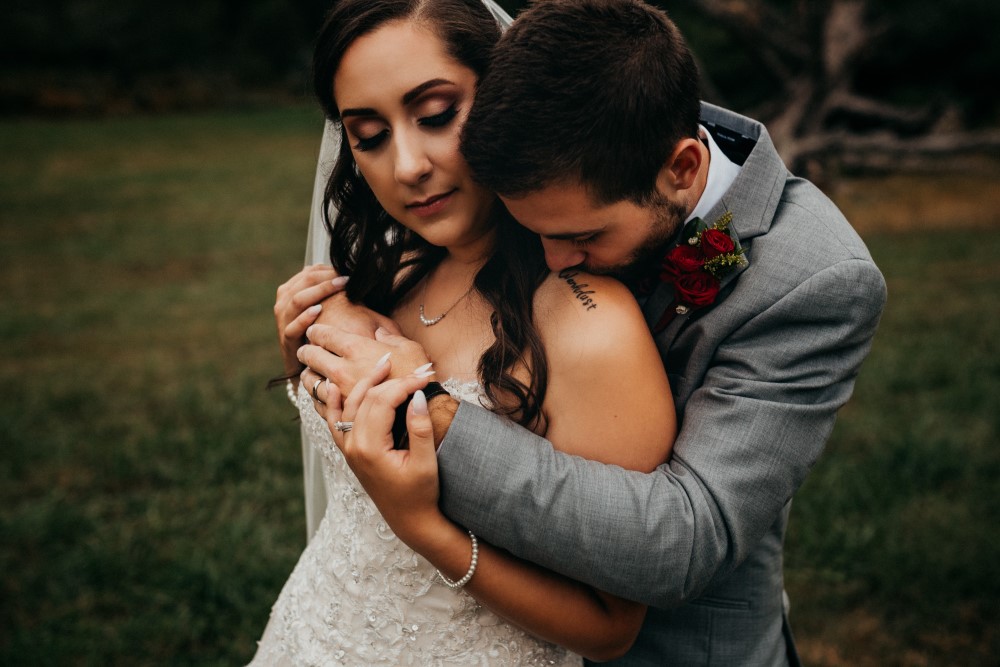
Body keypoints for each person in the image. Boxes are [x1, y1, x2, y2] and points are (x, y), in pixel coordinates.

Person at [297, 0, 888, 665]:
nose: (552, 259)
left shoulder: (814, 278)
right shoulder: (523, 177)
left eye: (581, 237)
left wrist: (424, 411)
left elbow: (686, 540)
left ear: (683, 170)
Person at [255, 0, 678, 663]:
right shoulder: (385, 275)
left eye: (435, 116)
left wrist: (425, 527)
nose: (408, 166)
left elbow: (610, 624)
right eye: (369, 135)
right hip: (312, 633)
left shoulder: (588, 325)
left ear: (505, 100)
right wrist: (304, 360)